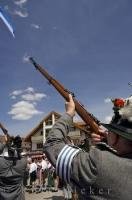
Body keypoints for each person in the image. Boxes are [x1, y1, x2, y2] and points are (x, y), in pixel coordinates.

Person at [44, 94, 132, 200]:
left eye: (111, 131)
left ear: (116, 137)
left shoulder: (99, 163)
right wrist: (107, 141)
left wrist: (69, 113)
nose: (107, 133)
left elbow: (52, 145)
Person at [0, 135, 27, 200]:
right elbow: (20, 156)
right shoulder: (23, 162)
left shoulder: (1, 162)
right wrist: (18, 147)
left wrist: (5, 143)